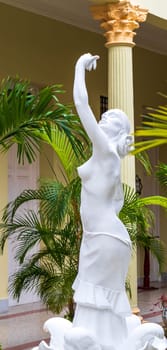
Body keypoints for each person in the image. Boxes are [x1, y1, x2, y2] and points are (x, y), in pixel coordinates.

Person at [72, 53, 134, 350]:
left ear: (116, 131)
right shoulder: (110, 161)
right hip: (107, 237)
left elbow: (82, 105)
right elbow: (114, 205)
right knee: (103, 307)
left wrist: (79, 68)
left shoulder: (106, 152)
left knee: (94, 303)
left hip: (104, 239)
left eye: (107, 118)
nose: (101, 118)